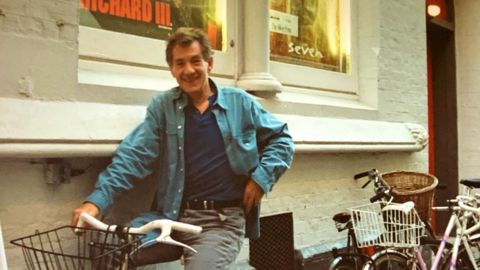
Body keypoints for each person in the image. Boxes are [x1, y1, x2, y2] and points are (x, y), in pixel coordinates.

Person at [71, 27, 294, 269]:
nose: (188, 70)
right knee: (110, 255)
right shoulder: (163, 107)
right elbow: (134, 158)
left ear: (209, 63)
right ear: (172, 69)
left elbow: (281, 139)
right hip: (171, 216)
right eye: (180, 63)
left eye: (195, 61)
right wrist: (95, 202)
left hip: (220, 221)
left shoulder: (240, 102)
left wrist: (261, 179)